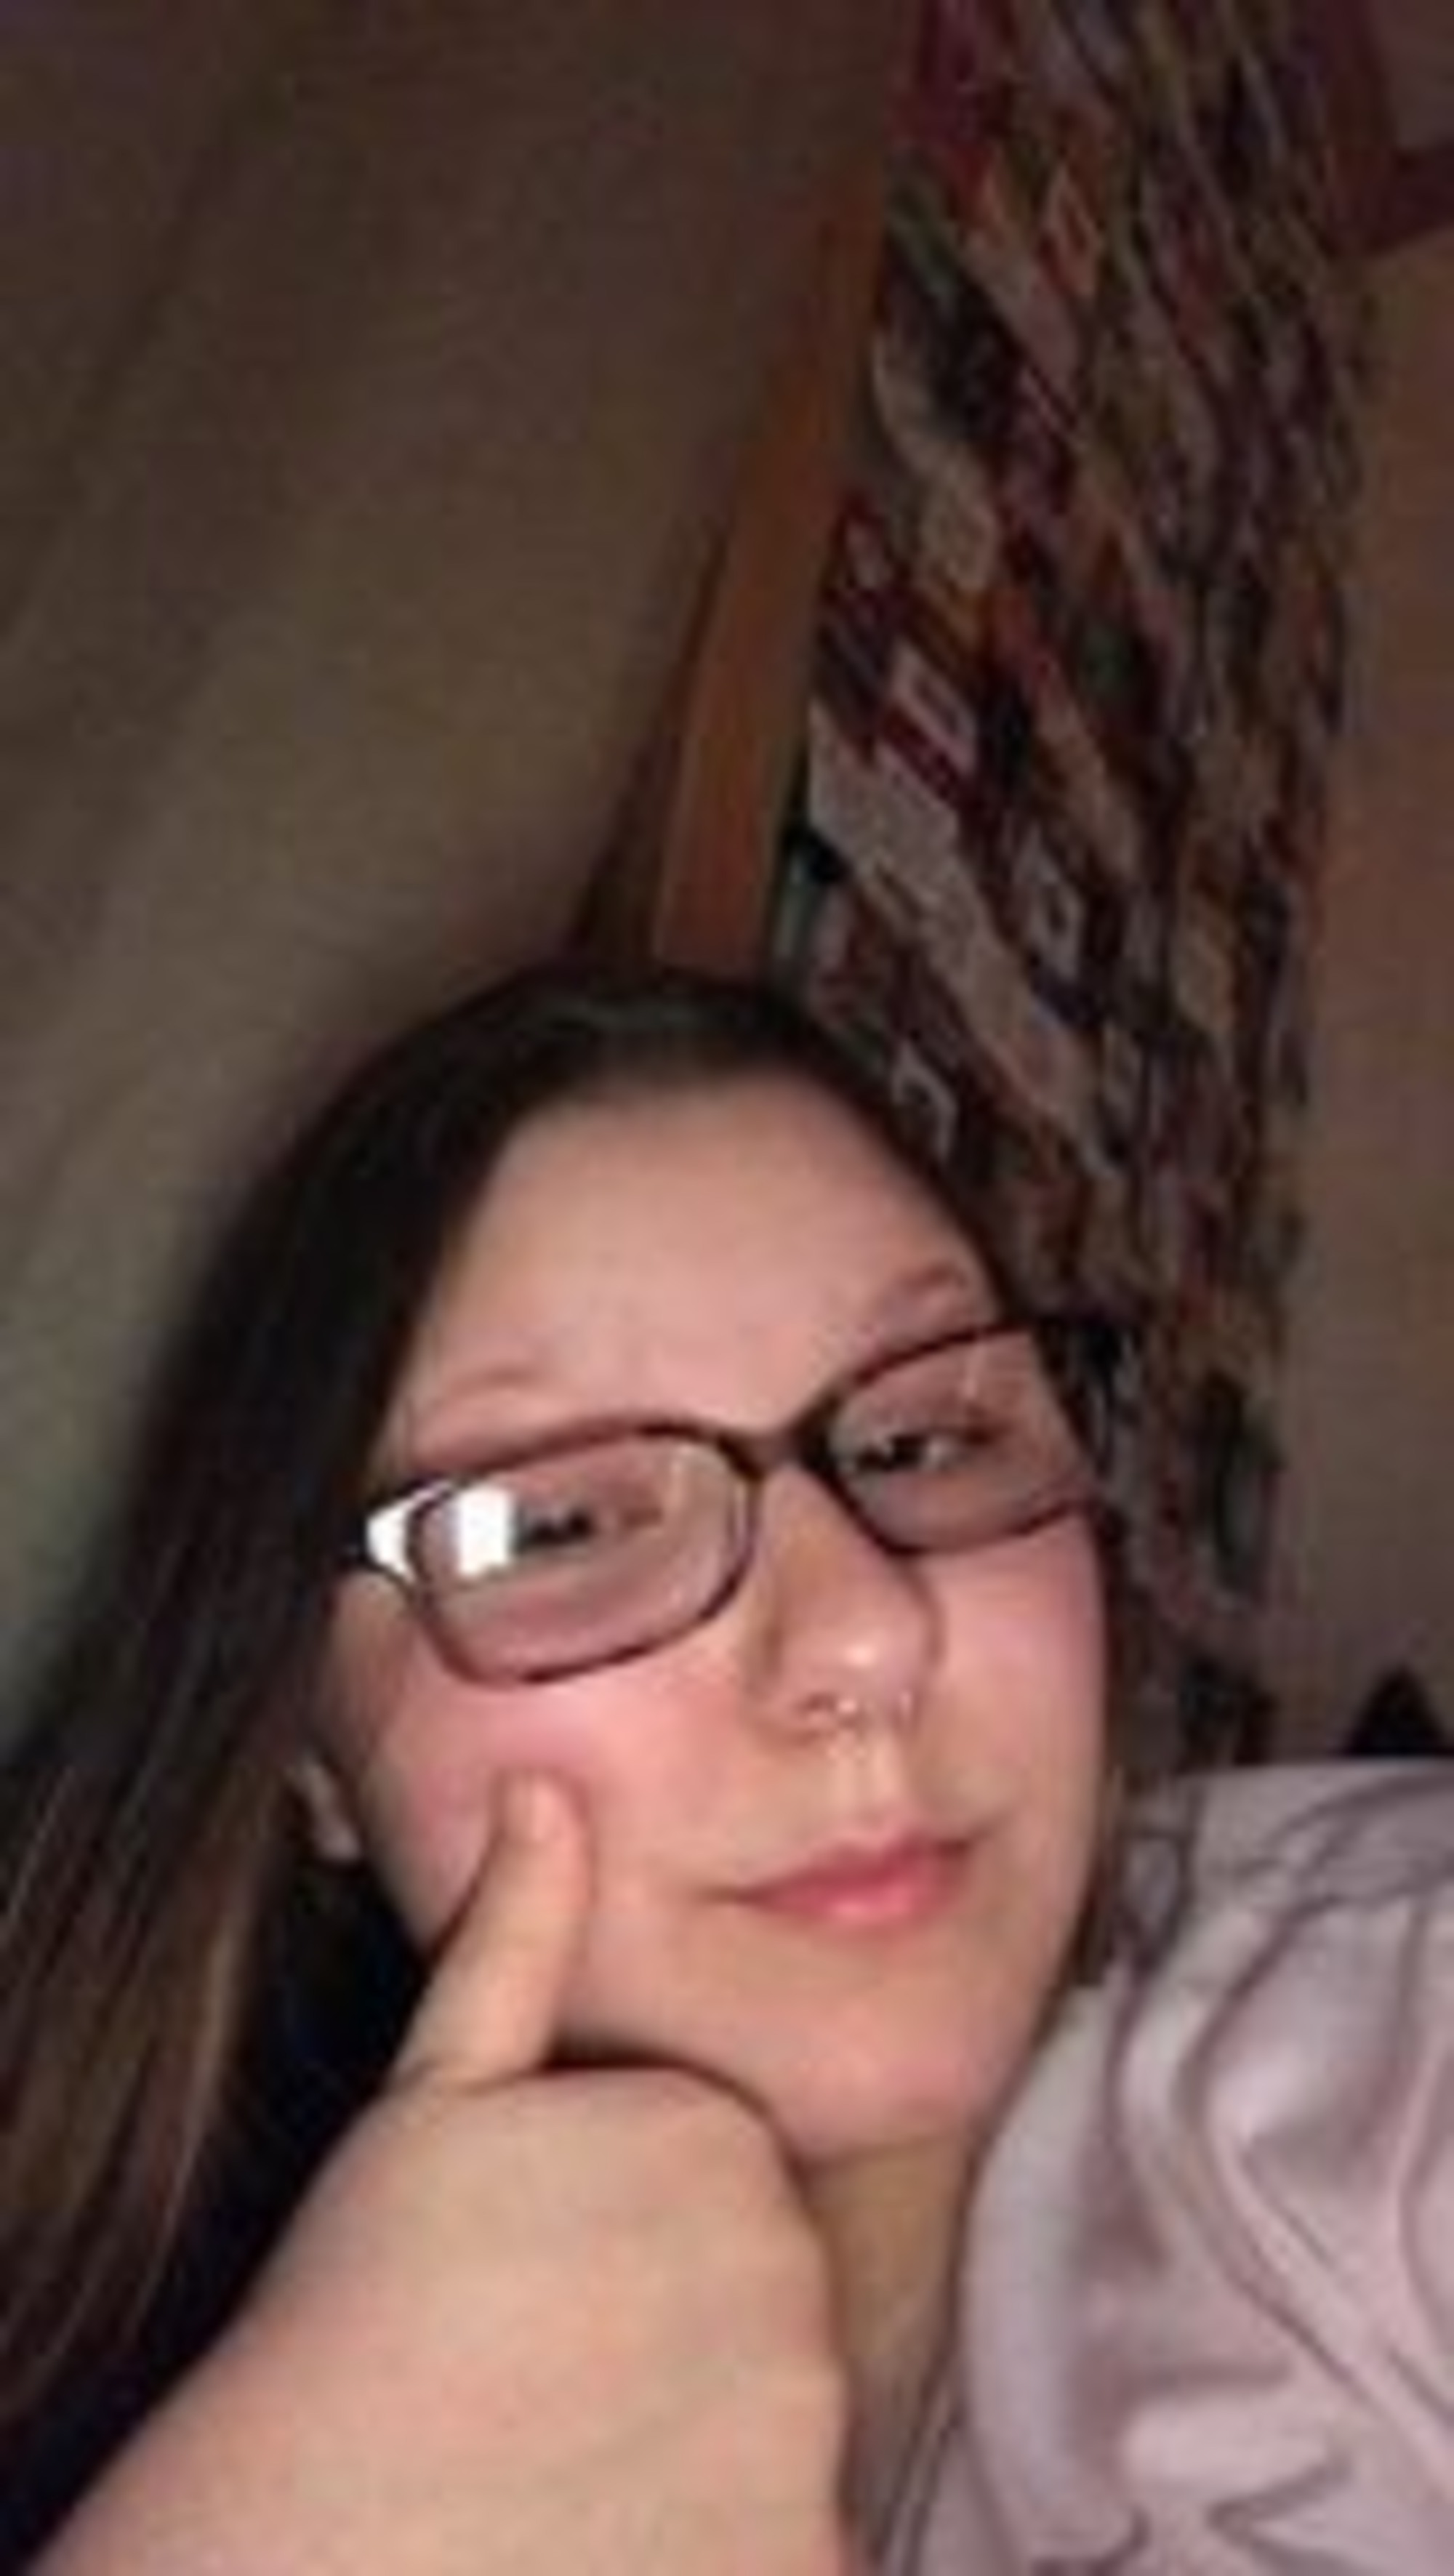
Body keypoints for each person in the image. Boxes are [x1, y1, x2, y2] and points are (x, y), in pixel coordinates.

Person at [1, 959, 1450, 2572]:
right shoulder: (86, 2390)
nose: (863, 1637)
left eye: (927, 1439)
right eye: (562, 1522)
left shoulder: (1384, 2021)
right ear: (308, 1757)